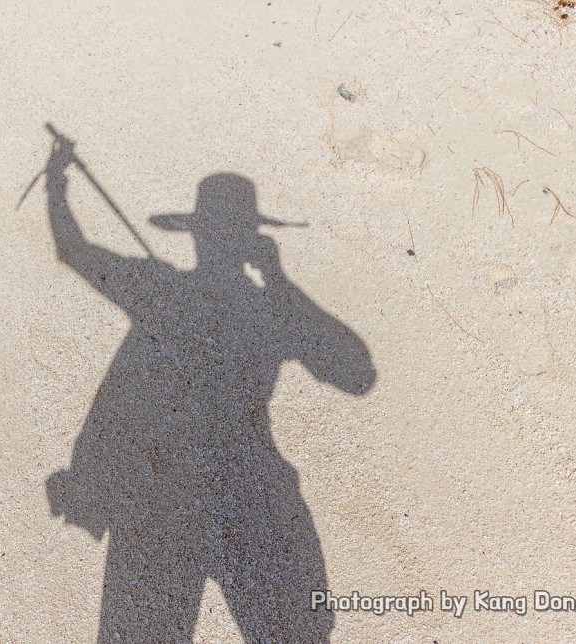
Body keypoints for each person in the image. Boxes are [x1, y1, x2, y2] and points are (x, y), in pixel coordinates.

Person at [44, 132, 375, 642]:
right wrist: (278, 278)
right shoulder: (269, 308)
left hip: (163, 492)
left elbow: (74, 249)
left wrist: (57, 181)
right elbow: (357, 373)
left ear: (197, 235)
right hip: (250, 485)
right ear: (248, 241)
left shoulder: (163, 288)